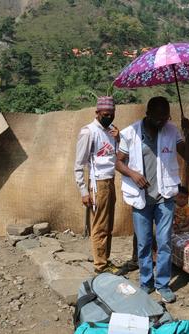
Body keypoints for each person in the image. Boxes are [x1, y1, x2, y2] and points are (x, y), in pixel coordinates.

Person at [116, 96, 189, 303]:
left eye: (166, 116)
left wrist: (188, 132)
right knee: (144, 243)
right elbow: (118, 162)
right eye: (159, 117)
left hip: (164, 196)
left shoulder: (171, 130)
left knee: (164, 242)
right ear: (148, 114)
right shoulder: (130, 133)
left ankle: (162, 284)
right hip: (141, 198)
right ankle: (146, 282)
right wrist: (133, 174)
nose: (163, 121)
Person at [74, 96, 120, 274]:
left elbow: (116, 157)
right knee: (100, 225)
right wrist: (83, 191)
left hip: (110, 181)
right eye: (106, 114)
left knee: (108, 224)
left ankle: (105, 259)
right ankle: (100, 265)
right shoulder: (89, 132)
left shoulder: (111, 132)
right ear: (97, 113)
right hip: (97, 183)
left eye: (112, 114)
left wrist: (119, 139)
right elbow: (79, 165)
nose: (109, 117)